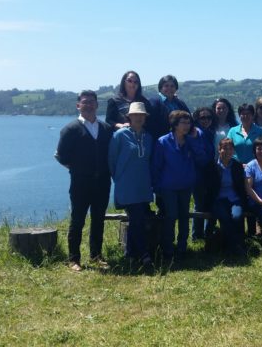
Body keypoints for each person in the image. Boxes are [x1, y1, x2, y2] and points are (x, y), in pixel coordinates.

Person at [54, 90, 113, 272]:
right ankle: (74, 259)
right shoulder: (70, 129)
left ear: (97, 105)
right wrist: (78, 169)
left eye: (91, 102)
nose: (88, 105)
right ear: (78, 105)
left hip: (102, 181)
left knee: (98, 219)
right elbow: (61, 156)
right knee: (77, 219)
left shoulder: (106, 129)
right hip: (80, 183)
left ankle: (96, 255)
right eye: (85, 102)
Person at [151, 110, 207, 261]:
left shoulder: (191, 140)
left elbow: (202, 159)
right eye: (183, 123)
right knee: (171, 217)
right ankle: (168, 249)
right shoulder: (163, 141)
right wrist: (157, 187)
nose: (187, 126)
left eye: (189, 123)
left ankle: (182, 248)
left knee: (184, 217)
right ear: (175, 125)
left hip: (186, 186)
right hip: (168, 187)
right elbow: (156, 166)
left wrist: (194, 141)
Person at [108, 102, 154, 266]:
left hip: (143, 185)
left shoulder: (148, 137)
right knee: (136, 219)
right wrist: (119, 178)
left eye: (141, 115)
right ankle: (143, 254)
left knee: (138, 219)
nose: (138, 117)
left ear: (145, 117)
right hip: (127, 185)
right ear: (129, 117)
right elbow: (112, 160)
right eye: (135, 115)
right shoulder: (120, 135)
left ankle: (130, 254)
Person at [207, 138, 247, 255]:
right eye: (225, 148)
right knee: (225, 217)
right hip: (218, 199)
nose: (228, 151)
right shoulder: (212, 166)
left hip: (235, 199)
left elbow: (241, 187)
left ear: (233, 151)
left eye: (230, 149)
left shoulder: (237, 166)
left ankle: (233, 245)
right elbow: (208, 188)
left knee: (236, 216)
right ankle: (234, 246)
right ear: (219, 149)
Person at [191, 107, 217, 240]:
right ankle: (197, 235)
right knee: (200, 204)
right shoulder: (197, 133)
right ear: (197, 119)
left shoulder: (209, 132)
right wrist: (210, 162)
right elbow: (199, 154)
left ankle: (206, 233)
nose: (206, 120)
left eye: (208, 117)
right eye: (202, 118)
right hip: (199, 174)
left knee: (208, 203)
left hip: (209, 173)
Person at [105, 70, 156, 135]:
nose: (132, 83)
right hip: (122, 136)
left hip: (141, 136)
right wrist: (121, 125)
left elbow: (150, 121)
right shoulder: (114, 101)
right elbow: (108, 121)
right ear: (124, 82)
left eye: (135, 82)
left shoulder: (145, 102)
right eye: (129, 81)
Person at [149, 74, 190, 139]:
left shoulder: (180, 103)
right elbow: (151, 123)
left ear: (176, 88)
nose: (169, 88)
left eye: (172, 86)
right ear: (160, 88)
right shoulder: (154, 102)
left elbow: (189, 118)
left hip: (181, 139)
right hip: (161, 140)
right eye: (166, 86)